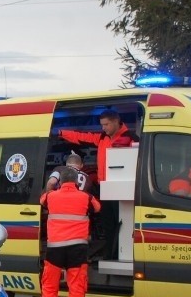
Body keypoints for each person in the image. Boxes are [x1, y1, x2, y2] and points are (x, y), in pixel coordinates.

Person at [51, 109, 135, 260]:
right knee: (108, 223)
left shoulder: (131, 138)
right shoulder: (103, 138)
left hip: (122, 188)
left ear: (116, 121)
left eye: (106, 125)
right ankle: (110, 253)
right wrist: (61, 132)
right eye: (102, 125)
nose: (103, 128)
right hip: (105, 188)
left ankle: (117, 254)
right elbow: (82, 137)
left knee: (121, 223)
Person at [39, 167, 101, 297]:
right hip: (77, 248)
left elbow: (42, 200)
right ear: (76, 181)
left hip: (55, 248)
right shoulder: (86, 197)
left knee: (50, 282)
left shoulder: (50, 196)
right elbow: (97, 208)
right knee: (76, 284)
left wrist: (52, 186)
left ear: (61, 181)